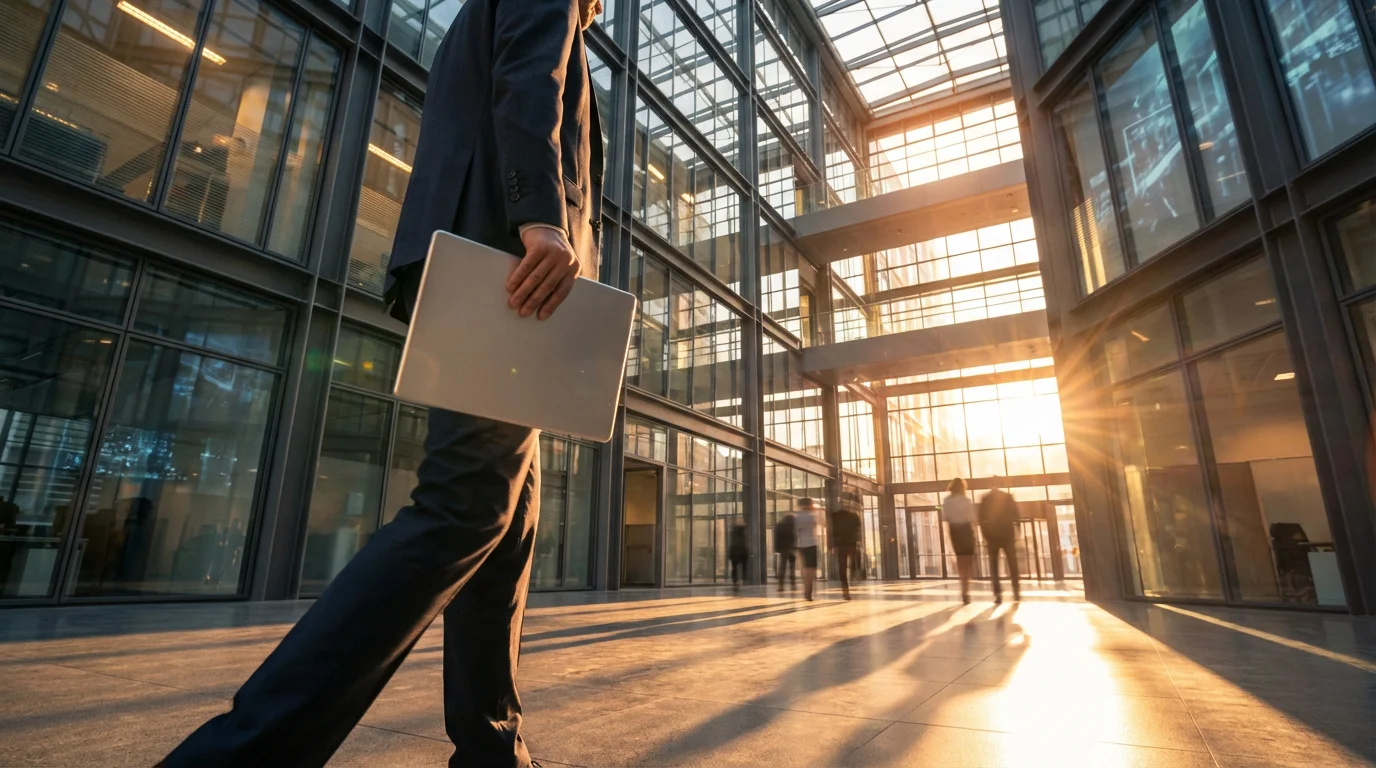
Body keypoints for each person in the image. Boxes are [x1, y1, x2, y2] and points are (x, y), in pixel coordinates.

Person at [160, 1, 605, 766]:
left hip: (494, 267)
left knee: (505, 524)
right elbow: (527, 81)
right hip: (508, 272)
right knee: (464, 508)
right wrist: (544, 221)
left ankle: (494, 749)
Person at [979, 486, 1021, 604]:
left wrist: (985, 535)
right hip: (1007, 535)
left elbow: (981, 519)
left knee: (994, 566)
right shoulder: (1008, 497)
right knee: (1012, 564)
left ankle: (997, 594)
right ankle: (1016, 590)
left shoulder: (985, 498)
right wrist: (1018, 533)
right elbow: (1016, 516)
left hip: (992, 537)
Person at [941, 478, 977, 604]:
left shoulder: (946, 501)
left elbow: (945, 517)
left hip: (954, 531)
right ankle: (966, 589)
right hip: (966, 530)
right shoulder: (966, 500)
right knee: (968, 560)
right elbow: (972, 518)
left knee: (961, 559)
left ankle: (963, 589)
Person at [829, 503, 861, 600]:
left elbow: (832, 532)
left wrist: (832, 546)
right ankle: (854, 571)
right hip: (851, 543)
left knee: (842, 567)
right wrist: (859, 540)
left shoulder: (835, 517)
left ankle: (845, 590)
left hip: (841, 545)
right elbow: (858, 529)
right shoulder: (854, 516)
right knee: (855, 557)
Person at [794, 498, 821, 601]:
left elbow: (796, 531)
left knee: (805, 569)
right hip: (812, 544)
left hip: (801, 545)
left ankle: (807, 591)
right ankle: (808, 592)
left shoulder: (797, 516)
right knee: (811, 569)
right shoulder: (812, 515)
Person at [772, 512, 797, 591]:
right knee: (792, 567)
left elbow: (776, 539)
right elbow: (797, 537)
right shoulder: (795, 525)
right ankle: (793, 585)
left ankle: (781, 586)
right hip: (792, 548)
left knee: (782, 568)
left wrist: (776, 549)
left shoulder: (779, 525)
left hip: (783, 549)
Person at [728, 521, 749, 592]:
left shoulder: (733, 532)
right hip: (742, 552)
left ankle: (735, 581)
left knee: (734, 568)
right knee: (744, 567)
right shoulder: (743, 533)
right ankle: (743, 579)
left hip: (734, 552)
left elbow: (732, 544)